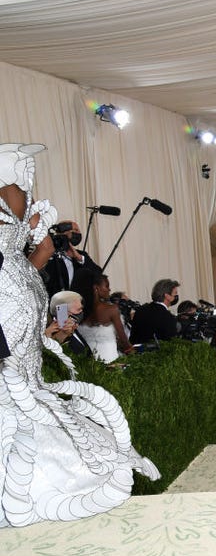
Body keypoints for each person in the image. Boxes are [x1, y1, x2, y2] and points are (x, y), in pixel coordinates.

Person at [0, 142, 158, 528]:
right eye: (18, 192)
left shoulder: (17, 265)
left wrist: (48, 336)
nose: (30, 204)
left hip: (29, 396)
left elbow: (19, 324)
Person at [73, 270, 134, 362]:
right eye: (107, 286)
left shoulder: (78, 310)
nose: (109, 289)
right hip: (110, 361)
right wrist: (135, 353)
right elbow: (124, 341)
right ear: (96, 288)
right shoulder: (112, 309)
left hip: (88, 363)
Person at [42, 219, 102, 298]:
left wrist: (80, 259)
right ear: (63, 233)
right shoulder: (50, 255)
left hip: (78, 303)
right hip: (56, 303)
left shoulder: (81, 255)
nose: (79, 233)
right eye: (75, 230)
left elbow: (98, 274)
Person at [129, 278, 180, 344]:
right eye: (175, 293)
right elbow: (170, 342)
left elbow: (133, 337)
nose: (176, 296)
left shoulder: (140, 310)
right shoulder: (168, 317)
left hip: (137, 352)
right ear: (167, 296)